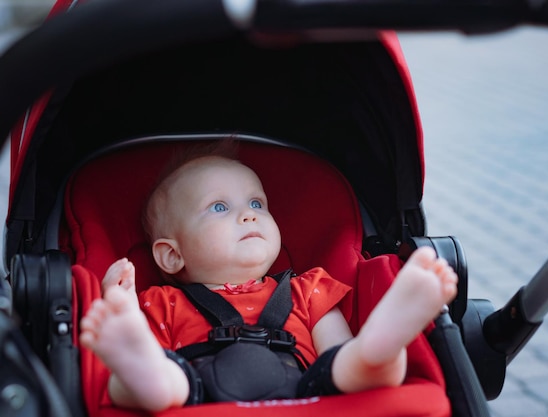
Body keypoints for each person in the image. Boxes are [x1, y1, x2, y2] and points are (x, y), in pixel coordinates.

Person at [79, 147, 458, 412]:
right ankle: (136, 362)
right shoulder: (162, 301)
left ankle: (383, 343)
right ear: (172, 254)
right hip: (193, 394)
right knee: (161, 373)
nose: (249, 216)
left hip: (310, 391)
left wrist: (355, 360)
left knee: (349, 363)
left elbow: (335, 353)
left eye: (257, 203)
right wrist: (124, 301)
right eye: (220, 207)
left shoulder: (308, 288)